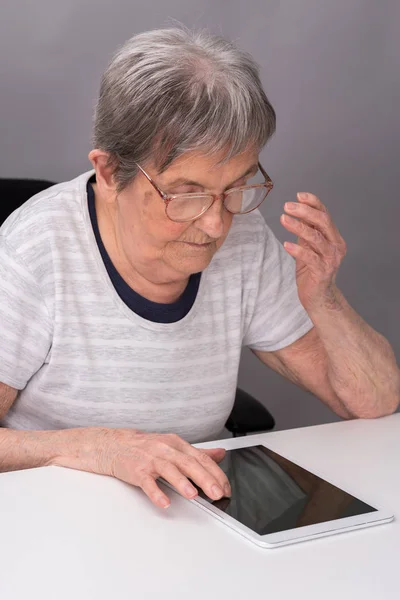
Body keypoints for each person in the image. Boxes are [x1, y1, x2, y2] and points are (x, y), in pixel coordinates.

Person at [0, 27, 398, 509]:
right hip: (58, 513)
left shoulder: (243, 238)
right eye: (185, 194)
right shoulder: (33, 252)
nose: (214, 225)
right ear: (109, 173)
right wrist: (98, 447)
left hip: (194, 509)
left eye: (235, 187)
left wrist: (325, 300)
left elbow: (373, 402)